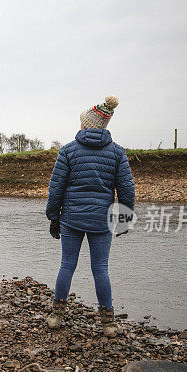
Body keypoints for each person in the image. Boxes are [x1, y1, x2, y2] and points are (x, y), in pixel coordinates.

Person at [45, 95, 135, 337]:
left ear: (86, 125)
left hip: (72, 218)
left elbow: (56, 188)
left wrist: (54, 217)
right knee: (101, 269)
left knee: (67, 265)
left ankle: (56, 316)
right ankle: (108, 324)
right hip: (101, 221)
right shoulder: (117, 152)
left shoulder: (68, 151)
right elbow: (127, 189)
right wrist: (124, 221)